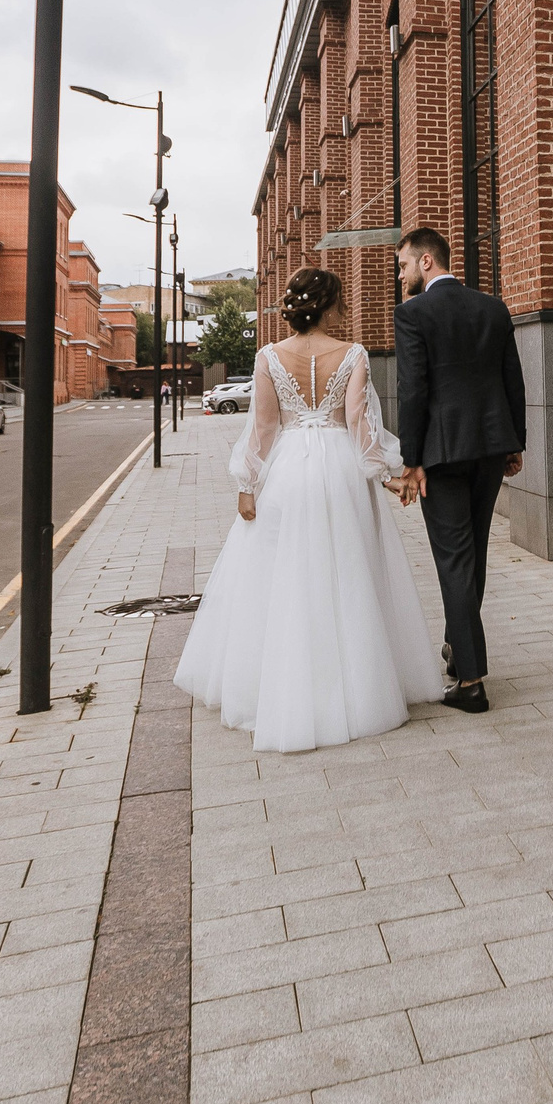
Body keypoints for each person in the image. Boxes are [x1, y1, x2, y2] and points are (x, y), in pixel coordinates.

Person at [174, 267, 442, 751]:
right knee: (349, 572)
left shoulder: (268, 356)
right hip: (341, 471)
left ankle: (286, 688)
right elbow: (359, 423)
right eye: (341, 301)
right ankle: (356, 688)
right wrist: (386, 473)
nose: (345, 309)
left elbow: (264, 428)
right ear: (327, 306)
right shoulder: (353, 353)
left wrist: (247, 485)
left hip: (287, 471)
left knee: (287, 575)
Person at [391, 227, 525, 715]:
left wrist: (410, 461)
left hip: (442, 454)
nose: (401, 275)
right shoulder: (493, 308)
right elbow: (512, 378)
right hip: (490, 446)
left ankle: (471, 682)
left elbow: (413, 391)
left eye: (404, 265)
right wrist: (514, 442)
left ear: (426, 261)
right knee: (474, 554)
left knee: (454, 560)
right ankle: (457, 646)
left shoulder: (413, 313)